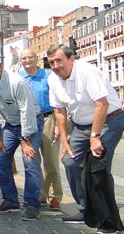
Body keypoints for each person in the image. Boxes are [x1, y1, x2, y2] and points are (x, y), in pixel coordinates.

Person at [46, 44, 124, 230]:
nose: (56, 66)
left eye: (59, 60)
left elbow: (102, 104)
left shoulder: (87, 72)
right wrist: (64, 142)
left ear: (71, 58)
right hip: (81, 126)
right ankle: (85, 209)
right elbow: (59, 111)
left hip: (109, 121)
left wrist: (95, 137)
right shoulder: (53, 79)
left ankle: (107, 219)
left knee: (97, 168)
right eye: (51, 62)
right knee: (70, 161)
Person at [0, 52, 43, 220]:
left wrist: (26, 141)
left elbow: (26, 112)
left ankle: (32, 204)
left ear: (0, 66)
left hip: (30, 123)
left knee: (30, 163)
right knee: (0, 161)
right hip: (10, 124)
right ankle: (11, 200)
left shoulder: (17, 82)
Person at [19, 48, 62, 210]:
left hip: (48, 118)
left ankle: (55, 195)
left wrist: (59, 124)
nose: (27, 60)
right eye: (24, 58)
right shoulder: (18, 78)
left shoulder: (49, 76)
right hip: (29, 121)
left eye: (30, 57)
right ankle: (39, 194)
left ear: (37, 58)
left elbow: (59, 102)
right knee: (33, 161)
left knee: (50, 160)